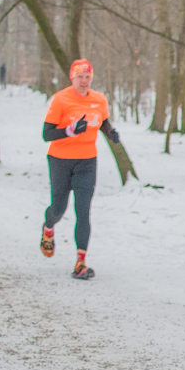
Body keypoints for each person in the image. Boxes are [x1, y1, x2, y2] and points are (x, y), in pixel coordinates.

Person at [40, 58, 120, 280]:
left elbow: (103, 122)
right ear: (72, 77)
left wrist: (110, 133)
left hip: (87, 161)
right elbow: (46, 134)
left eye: (87, 77)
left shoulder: (99, 99)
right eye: (80, 77)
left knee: (83, 211)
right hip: (60, 160)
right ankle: (48, 228)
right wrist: (70, 130)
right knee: (59, 208)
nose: (84, 81)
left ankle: (80, 264)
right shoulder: (61, 99)